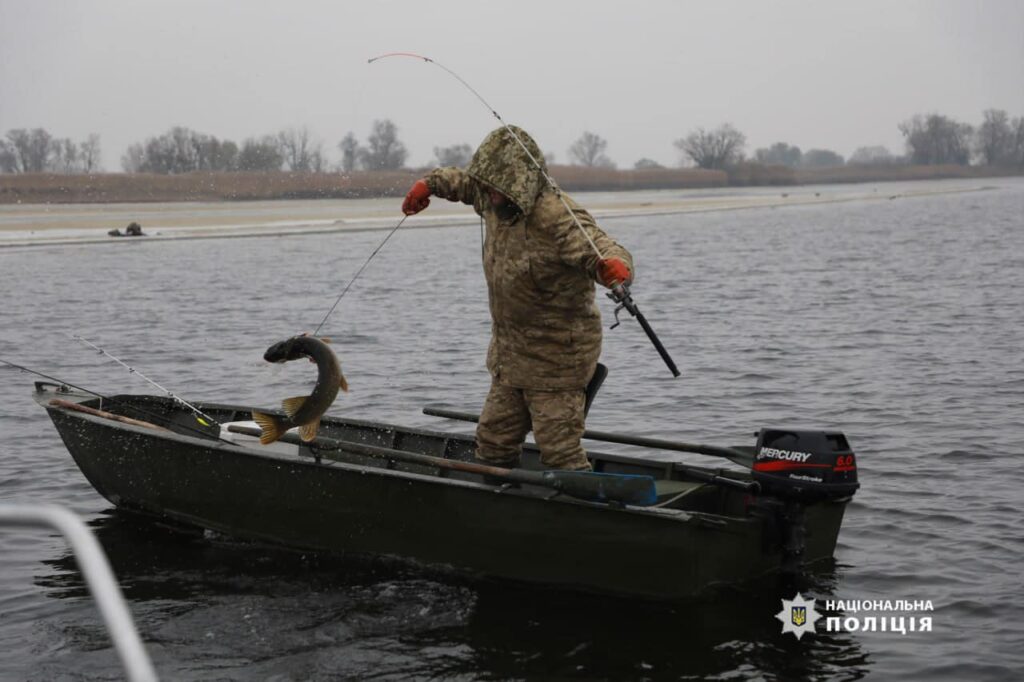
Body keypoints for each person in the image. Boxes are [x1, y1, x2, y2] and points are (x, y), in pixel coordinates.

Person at [402, 125, 633, 472]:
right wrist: (430, 185)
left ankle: (584, 513)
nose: (490, 197)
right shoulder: (493, 199)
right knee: (493, 442)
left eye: (497, 191)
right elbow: (464, 183)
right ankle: (497, 505)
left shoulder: (557, 217)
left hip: (557, 360)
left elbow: (600, 247)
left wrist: (615, 268)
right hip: (509, 358)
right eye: (488, 189)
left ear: (518, 186)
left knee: (559, 452)